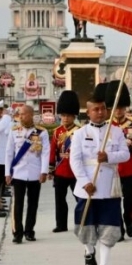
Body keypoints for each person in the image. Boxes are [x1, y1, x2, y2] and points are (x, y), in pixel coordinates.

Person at [71, 93, 130, 265]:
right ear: (88, 112)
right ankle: (89, 252)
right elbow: (75, 161)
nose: (100, 112)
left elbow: (125, 154)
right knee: (86, 226)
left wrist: (109, 157)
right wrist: (85, 182)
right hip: (87, 188)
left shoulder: (116, 131)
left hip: (109, 187)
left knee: (109, 227)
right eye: (95, 109)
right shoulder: (80, 134)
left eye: (103, 108)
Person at [106, 80, 132, 240]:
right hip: (112, 169)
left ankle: (128, 219)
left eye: (121, 108)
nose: (118, 111)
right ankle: (119, 228)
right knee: (114, 199)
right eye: (116, 108)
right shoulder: (106, 126)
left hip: (129, 168)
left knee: (129, 199)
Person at [5, 105, 50, 243]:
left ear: (31, 114)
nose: (21, 116)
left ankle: (29, 231)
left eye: (24, 114)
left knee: (33, 204)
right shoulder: (14, 131)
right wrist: (7, 172)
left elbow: (45, 153)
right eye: (20, 114)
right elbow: (8, 153)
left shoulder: (42, 132)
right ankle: (17, 233)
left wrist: (44, 171)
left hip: (34, 173)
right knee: (17, 204)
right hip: (18, 173)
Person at [49, 90, 81, 233]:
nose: (65, 118)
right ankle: (61, 224)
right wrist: (51, 169)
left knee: (80, 199)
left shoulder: (80, 131)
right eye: (63, 115)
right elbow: (53, 151)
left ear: (74, 116)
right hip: (61, 170)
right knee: (59, 201)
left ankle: (82, 222)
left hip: (75, 171)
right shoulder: (57, 132)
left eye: (68, 115)